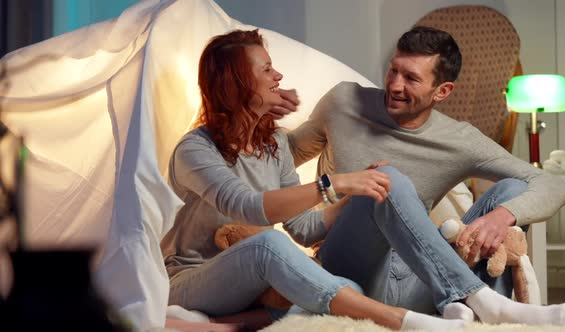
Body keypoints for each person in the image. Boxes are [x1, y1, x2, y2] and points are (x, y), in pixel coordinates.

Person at [160, 29, 467, 332]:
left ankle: (222, 325)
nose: (278, 76)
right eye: (266, 69)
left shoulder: (275, 145)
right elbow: (246, 207)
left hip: (252, 289)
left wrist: (358, 194)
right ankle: (402, 321)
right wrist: (334, 184)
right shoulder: (195, 150)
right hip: (191, 280)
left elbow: (304, 228)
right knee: (269, 243)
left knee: (348, 290)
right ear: (236, 84)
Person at [283, 26, 565, 324]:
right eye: (393, 70)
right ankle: (486, 302)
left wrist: (503, 215)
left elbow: (553, 185)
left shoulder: (459, 139)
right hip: (350, 270)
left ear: (443, 91)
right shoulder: (344, 102)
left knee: (512, 190)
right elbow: (283, 156)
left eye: (411, 78)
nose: (395, 85)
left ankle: (478, 312)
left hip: (420, 279)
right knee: (386, 178)